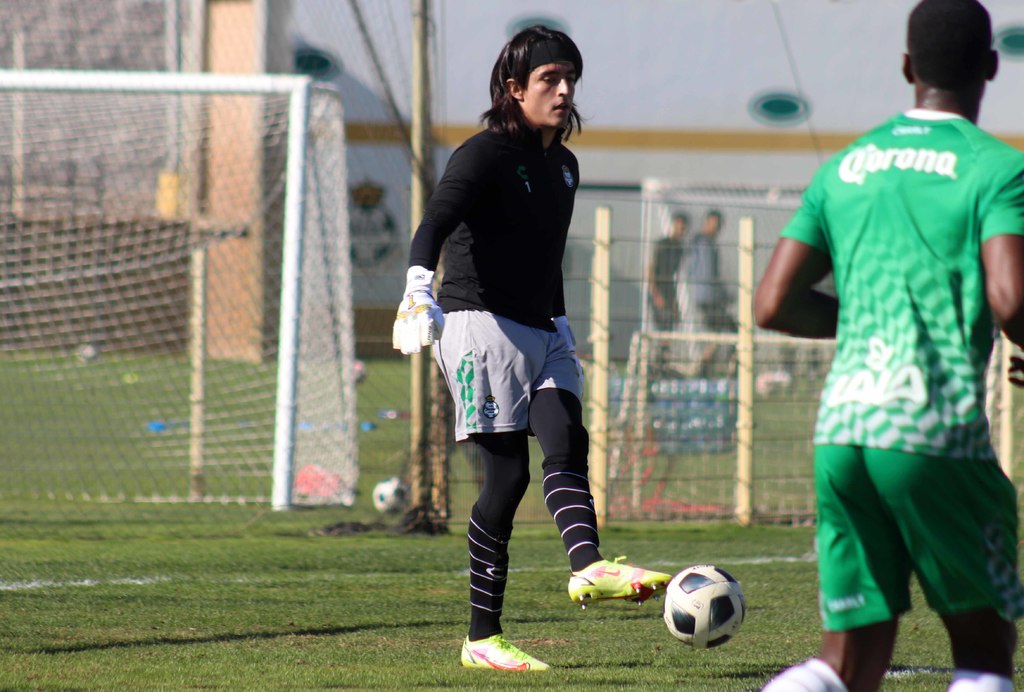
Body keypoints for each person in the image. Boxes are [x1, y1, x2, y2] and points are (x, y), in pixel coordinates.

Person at [755, 1, 1024, 690]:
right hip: (932, 431)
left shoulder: (847, 166)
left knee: (846, 665)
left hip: (844, 430)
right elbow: (1011, 298)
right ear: (991, 67)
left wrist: (873, 321)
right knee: (985, 652)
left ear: (907, 67)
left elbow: (773, 303)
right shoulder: (998, 168)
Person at [391, 25, 671, 673]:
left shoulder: (564, 166)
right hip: (479, 324)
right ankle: (481, 638)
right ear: (514, 89)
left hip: (543, 329)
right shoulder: (483, 154)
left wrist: (562, 323)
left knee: (566, 436)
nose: (564, 90)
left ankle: (587, 566)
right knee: (509, 476)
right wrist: (417, 288)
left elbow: (548, 257)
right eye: (550, 79)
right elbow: (434, 222)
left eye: (570, 78)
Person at [688, 209, 736, 375]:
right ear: (707, 223)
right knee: (732, 330)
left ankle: (704, 368)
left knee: (717, 334)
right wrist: (724, 295)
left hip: (707, 298)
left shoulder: (701, 243)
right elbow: (708, 276)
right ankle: (731, 369)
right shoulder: (704, 244)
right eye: (714, 224)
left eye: (718, 225)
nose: (716, 228)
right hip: (709, 299)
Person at [646, 212, 690, 376]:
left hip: (669, 291)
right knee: (662, 329)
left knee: (670, 328)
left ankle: (661, 364)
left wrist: (675, 301)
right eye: (678, 225)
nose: (680, 229)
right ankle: (654, 366)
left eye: (683, 227)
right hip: (658, 290)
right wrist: (656, 294)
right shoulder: (663, 244)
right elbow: (651, 270)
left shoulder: (680, 249)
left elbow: (674, 277)